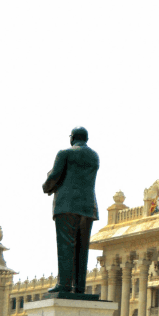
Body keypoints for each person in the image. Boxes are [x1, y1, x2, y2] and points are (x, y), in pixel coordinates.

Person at [42, 126, 99, 294]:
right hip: (88, 207)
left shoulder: (64, 153)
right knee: (82, 248)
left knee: (66, 245)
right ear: (86, 139)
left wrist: (46, 187)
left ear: (72, 138)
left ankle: (65, 284)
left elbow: (55, 176)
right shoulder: (94, 156)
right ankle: (79, 286)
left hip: (67, 206)